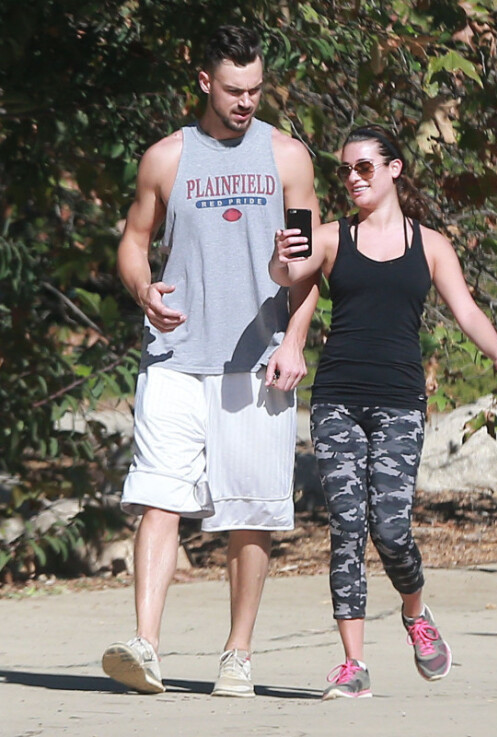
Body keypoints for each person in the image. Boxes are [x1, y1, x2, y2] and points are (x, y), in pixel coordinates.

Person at [101, 25, 320, 698]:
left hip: (256, 360)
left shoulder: (289, 157)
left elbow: (309, 263)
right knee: (160, 498)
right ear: (204, 82)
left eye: (255, 89)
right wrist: (143, 288)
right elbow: (134, 242)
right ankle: (146, 645)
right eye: (233, 90)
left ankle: (238, 655)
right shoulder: (166, 158)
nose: (246, 102)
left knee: (249, 511)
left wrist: (294, 340)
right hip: (173, 355)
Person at [269, 124, 497, 700]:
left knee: (389, 527)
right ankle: (353, 664)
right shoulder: (332, 237)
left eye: (364, 168)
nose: (353, 178)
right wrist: (281, 260)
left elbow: (466, 309)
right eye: (346, 170)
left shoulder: (429, 244)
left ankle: (415, 611)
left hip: (400, 401)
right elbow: (290, 282)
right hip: (336, 398)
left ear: (394, 170)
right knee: (346, 529)